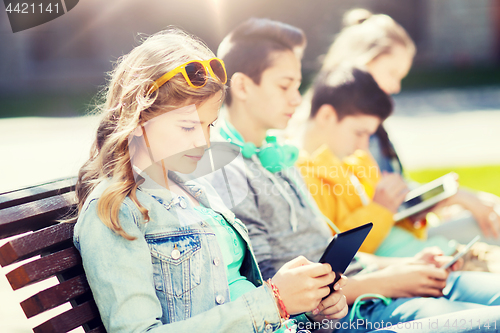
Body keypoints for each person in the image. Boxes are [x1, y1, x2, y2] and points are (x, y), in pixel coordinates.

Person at [210, 17, 500, 333]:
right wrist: (391, 281)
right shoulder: (229, 172)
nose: (296, 98)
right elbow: (271, 286)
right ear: (241, 86)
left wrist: (407, 267)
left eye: (297, 85)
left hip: (370, 288)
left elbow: (331, 252)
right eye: (284, 86)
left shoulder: (280, 156)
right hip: (349, 311)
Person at [72, 28, 349, 333]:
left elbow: (240, 293)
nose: (204, 142)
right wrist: (273, 302)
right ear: (137, 120)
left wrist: (310, 306)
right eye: (188, 127)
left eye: (210, 125)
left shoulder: (197, 190)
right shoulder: (116, 211)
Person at [311, 8, 500, 249]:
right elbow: (371, 204)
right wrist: (450, 197)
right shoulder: (334, 128)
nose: (396, 86)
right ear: (361, 63)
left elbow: (392, 189)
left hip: (396, 232)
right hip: (384, 244)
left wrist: (441, 202)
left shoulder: (369, 127)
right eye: (392, 73)